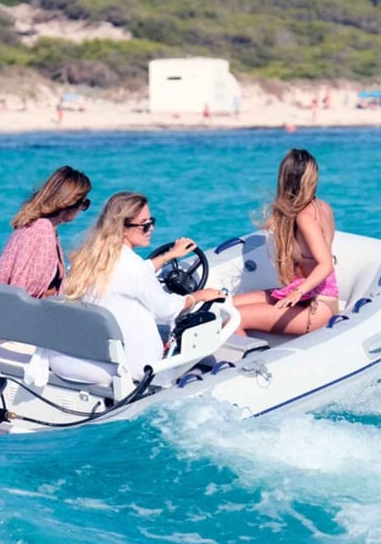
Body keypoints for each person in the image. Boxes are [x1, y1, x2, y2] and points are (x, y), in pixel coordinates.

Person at [55, 192, 224, 382]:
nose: (150, 228)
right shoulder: (134, 268)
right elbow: (166, 310)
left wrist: (168, 256)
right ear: (123, 229)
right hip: (136, 362)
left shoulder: (86, 259)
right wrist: (199, 296)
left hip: (96, 350)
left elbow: (130, 276)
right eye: (144, 225)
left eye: (151, 221)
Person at [235, 148, 338, 336]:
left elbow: (326, 264)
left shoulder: (304, 218)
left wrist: (297, 292)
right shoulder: (323, 207)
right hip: (311, 296)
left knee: (234, 318)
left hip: (316, 305)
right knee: (228, 305)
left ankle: (248, 365)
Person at [0, 166, 92, 299]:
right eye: (84, 203)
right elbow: (25, 290)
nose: (82, 209)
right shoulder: (41, 230)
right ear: (71, 203)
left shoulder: (33, 225)